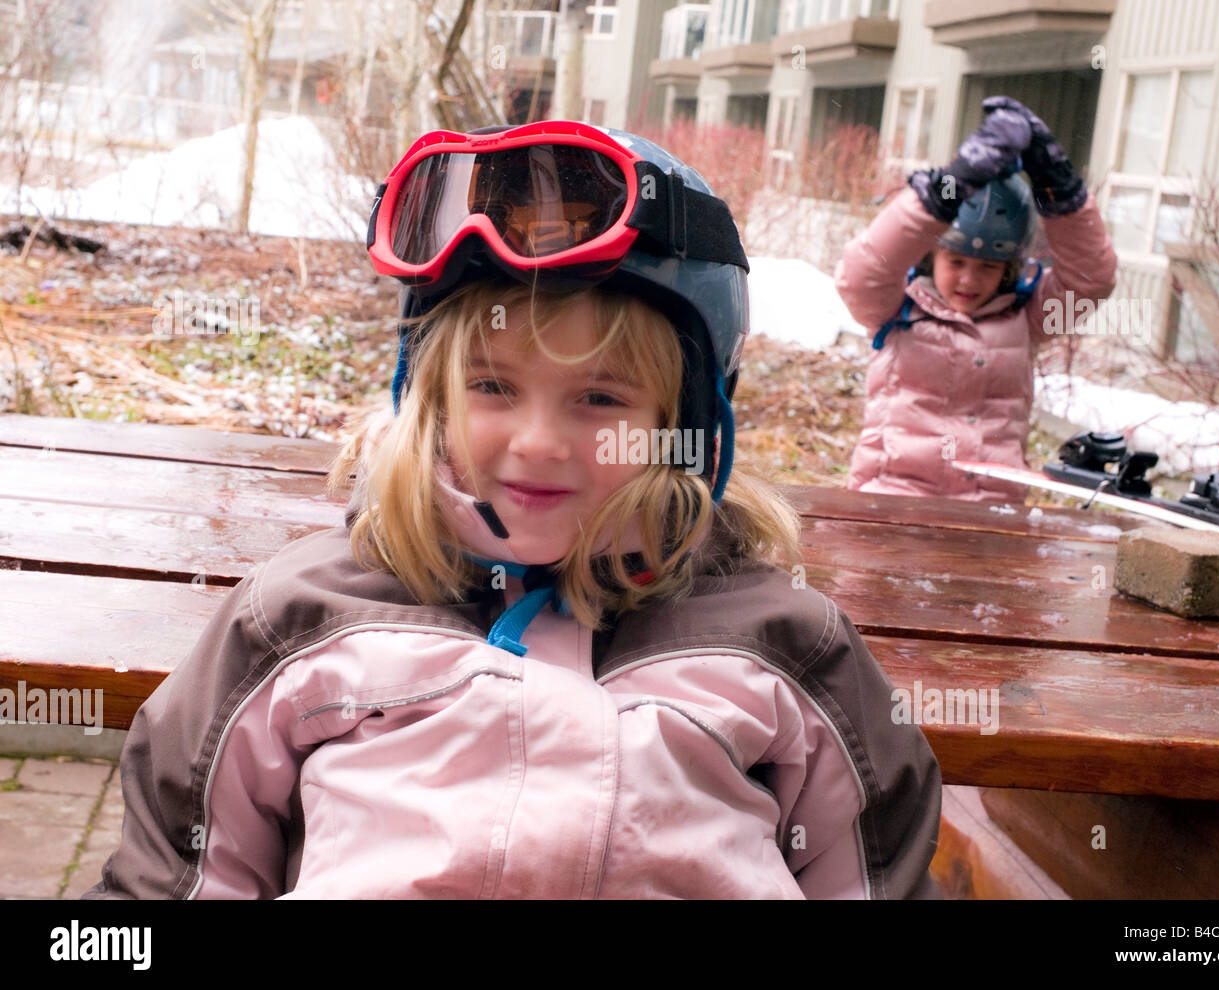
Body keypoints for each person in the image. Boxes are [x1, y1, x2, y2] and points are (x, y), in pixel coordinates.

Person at [85, 121, 941, 899]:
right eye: (492, 386)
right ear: (430, 398)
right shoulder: (296, 625)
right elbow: (176, 879)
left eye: (599, 398)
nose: (538, 442)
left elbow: (874, 875)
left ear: (684, 425)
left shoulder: (786, 647)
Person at [835, 97, 1118, 500]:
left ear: (1010, 268)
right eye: (957, 261)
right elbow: (863, 270)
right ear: (932, 254)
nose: (970, 279)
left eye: (989, 266)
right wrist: (941, 192)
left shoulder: (1027, 318)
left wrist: (1061, 190)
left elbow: (1093, 281)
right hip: (892, 500)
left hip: (991, 514)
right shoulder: (895, 309)